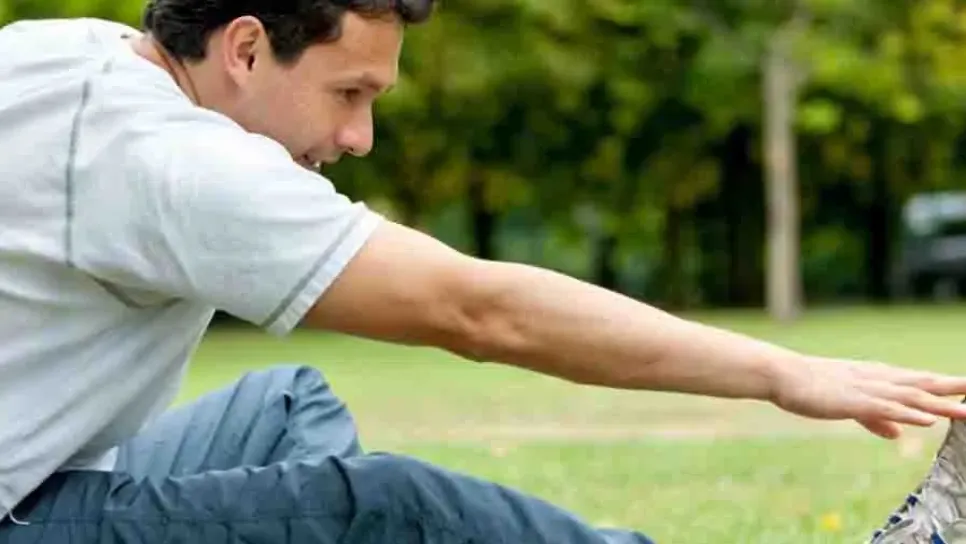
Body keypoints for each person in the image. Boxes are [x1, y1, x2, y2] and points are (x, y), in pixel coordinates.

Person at [0, 2, 962, 543]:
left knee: (288, 405)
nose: (359, 136)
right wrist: (783, 372)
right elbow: (480, 311)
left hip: (47, 474)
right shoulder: (180, 163)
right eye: (349, 92)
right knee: (386, 507)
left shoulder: (67, 49)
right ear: (245, 48)